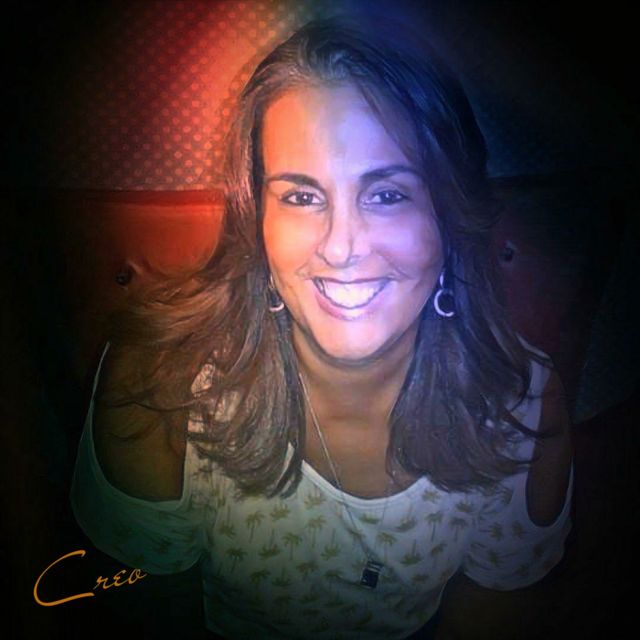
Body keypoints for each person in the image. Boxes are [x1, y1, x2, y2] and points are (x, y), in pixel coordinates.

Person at [71, 15, 573, 640]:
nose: (341, 247)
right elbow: (146, 613)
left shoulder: (520, 407)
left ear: (449, 214)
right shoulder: (161, 385)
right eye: (302, 196)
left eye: (387, 194)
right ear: (257, 217)